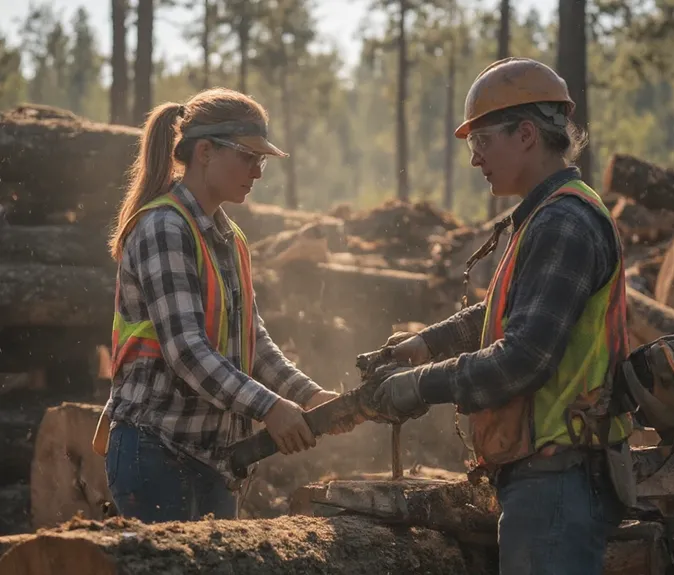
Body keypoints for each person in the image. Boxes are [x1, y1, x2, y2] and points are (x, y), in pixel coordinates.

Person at [370, 58, 631, 575]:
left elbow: (524, 358)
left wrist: (417, 386)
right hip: (549, 475)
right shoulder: (547, 214)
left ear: (527, 134)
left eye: (483, 142)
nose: (475, 160)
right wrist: (424, 344)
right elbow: (503, 312)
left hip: (558, 478)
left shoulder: (563, 222)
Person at [95, 87, 340, 523]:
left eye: (261, 161)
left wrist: (310, 396)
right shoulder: (164, 228)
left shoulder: (230, 238)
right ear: (205, 152)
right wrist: (269, 407)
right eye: (248, 158)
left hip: (214, 460)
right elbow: (187, 350)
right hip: (156, 451)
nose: (257, 172)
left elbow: (255, 344)